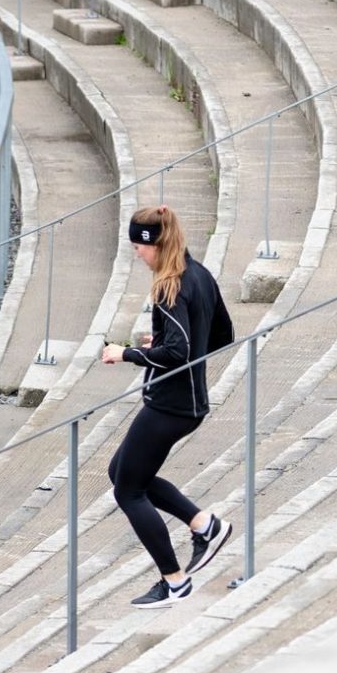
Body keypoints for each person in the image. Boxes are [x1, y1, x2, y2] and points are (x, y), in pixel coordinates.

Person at [97, 205, 233, 606]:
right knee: (119, 471)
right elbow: (222, 335)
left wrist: (127, 355)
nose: (136, 255)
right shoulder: (200, 274)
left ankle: (174, 581)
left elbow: (178, 351)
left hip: (169, 406)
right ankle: (205, 526)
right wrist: (168, 349)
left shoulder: (169, 287)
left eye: (138, 248)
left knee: (128, 491)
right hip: (188, 401)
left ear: (151, 244)